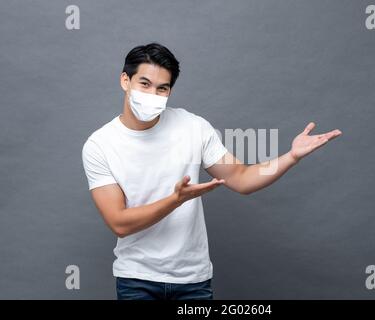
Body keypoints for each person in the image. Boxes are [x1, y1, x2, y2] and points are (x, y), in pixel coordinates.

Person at [81, 42, 342, 300]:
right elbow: (119, 223)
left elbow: (241, 178)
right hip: (137, 280)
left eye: (162, 88)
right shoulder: (100, 145)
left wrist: (291, 156)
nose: (152, 95)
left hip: (193, 281)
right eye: (144, 84)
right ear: (125, 80)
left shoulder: (192, 126)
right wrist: (176, 200)